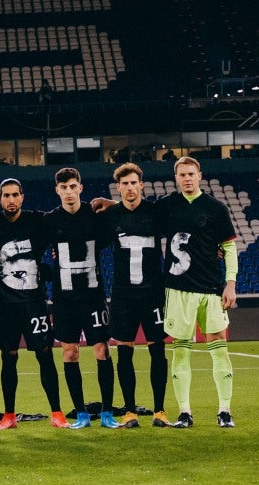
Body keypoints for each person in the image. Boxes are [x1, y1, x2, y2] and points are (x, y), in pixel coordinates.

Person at [0, 178, 69, 429]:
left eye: (15, 194)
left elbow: (65, 218)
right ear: (0, 199)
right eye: (6, 195)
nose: (11, 199)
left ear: (22, 197)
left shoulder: (36, 221)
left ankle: (57, 413)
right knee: (9, 357)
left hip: (34, 302)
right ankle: (9, 416)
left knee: (45, 355)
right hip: (6, 305)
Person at [158, 157, 237, 428]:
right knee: (181, 351)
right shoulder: (167, 205)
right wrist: (112, 204)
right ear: (176, 178)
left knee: (219, 350)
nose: (187, 178)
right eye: (182, 174)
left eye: (191, 173)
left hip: (211, 289)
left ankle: (224, 410)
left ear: (199, 175)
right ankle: (184, 412)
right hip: (178, 290)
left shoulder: (216, 208)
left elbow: (229, 248)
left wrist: (230, 283)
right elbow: (137, 212)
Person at [44, 168, 118, 429]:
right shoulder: (50, 220)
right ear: (57, 191)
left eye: (73, 186)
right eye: (64, 188)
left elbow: (130, 215)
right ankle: (82, 413)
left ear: (80, 188)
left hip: (93, 296)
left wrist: (112, 203)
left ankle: (108, 412)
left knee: (101, 349)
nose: (69, 192)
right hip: (64, 300)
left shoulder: (95, 215)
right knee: (70, 352)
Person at [98, 164, 170, 428]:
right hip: (123, 296)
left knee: (157, 351)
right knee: (124, 353)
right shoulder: (111, 215)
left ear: (142, 185)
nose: (129, 187)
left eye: (133, 183)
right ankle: (129, 412)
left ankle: (160, 411)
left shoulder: (155, 212)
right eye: (124, 184)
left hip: (153, 294)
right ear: (119, 187)